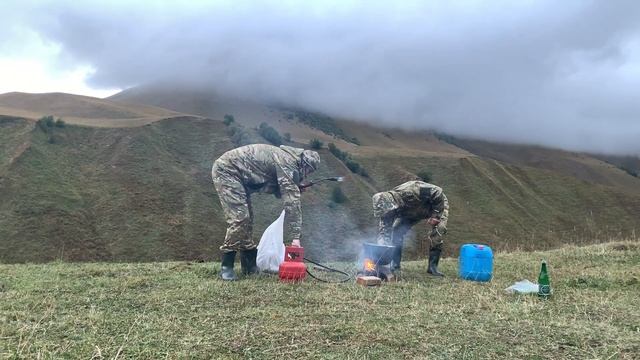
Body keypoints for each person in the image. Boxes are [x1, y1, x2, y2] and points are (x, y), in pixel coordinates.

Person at [212, 144, 320, 281]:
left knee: (248, 219)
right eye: (308, 171)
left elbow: (276, 187)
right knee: (240, 219)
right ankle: (226, 267)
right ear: (305, 165)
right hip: (227, 171)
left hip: (240, 177)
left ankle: (249, 266)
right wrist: (295, 238)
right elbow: (292, 202)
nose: (307, 174)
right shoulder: (287, 162)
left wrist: (295, 187)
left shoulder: (289, 161)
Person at [372, 180, 449, 277]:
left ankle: (432, 268)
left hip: (434, 207)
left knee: (439, 230)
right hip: (411, 213)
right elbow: (384, 234)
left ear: (391, 204)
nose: (387, 215)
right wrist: (381, 252)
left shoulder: (410, 190)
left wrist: (436, 216)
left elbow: (437, 192)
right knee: (396, 231)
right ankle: (395, 265)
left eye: (388, 212)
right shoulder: (386, 211)